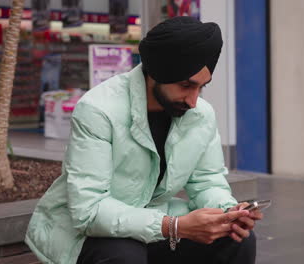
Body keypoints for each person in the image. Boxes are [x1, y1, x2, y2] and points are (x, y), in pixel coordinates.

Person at [25, 16, 263, 264]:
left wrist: (228, 213)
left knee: (237, 239)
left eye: (201, 88)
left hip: (157, 221)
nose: (193, 101)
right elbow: (89, 210)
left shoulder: (200, 114)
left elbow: (206, 181)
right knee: (124, 257)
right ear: (157, 73)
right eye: (186, 86)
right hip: (88, 231)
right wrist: (174, 226)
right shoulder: (98, 110)